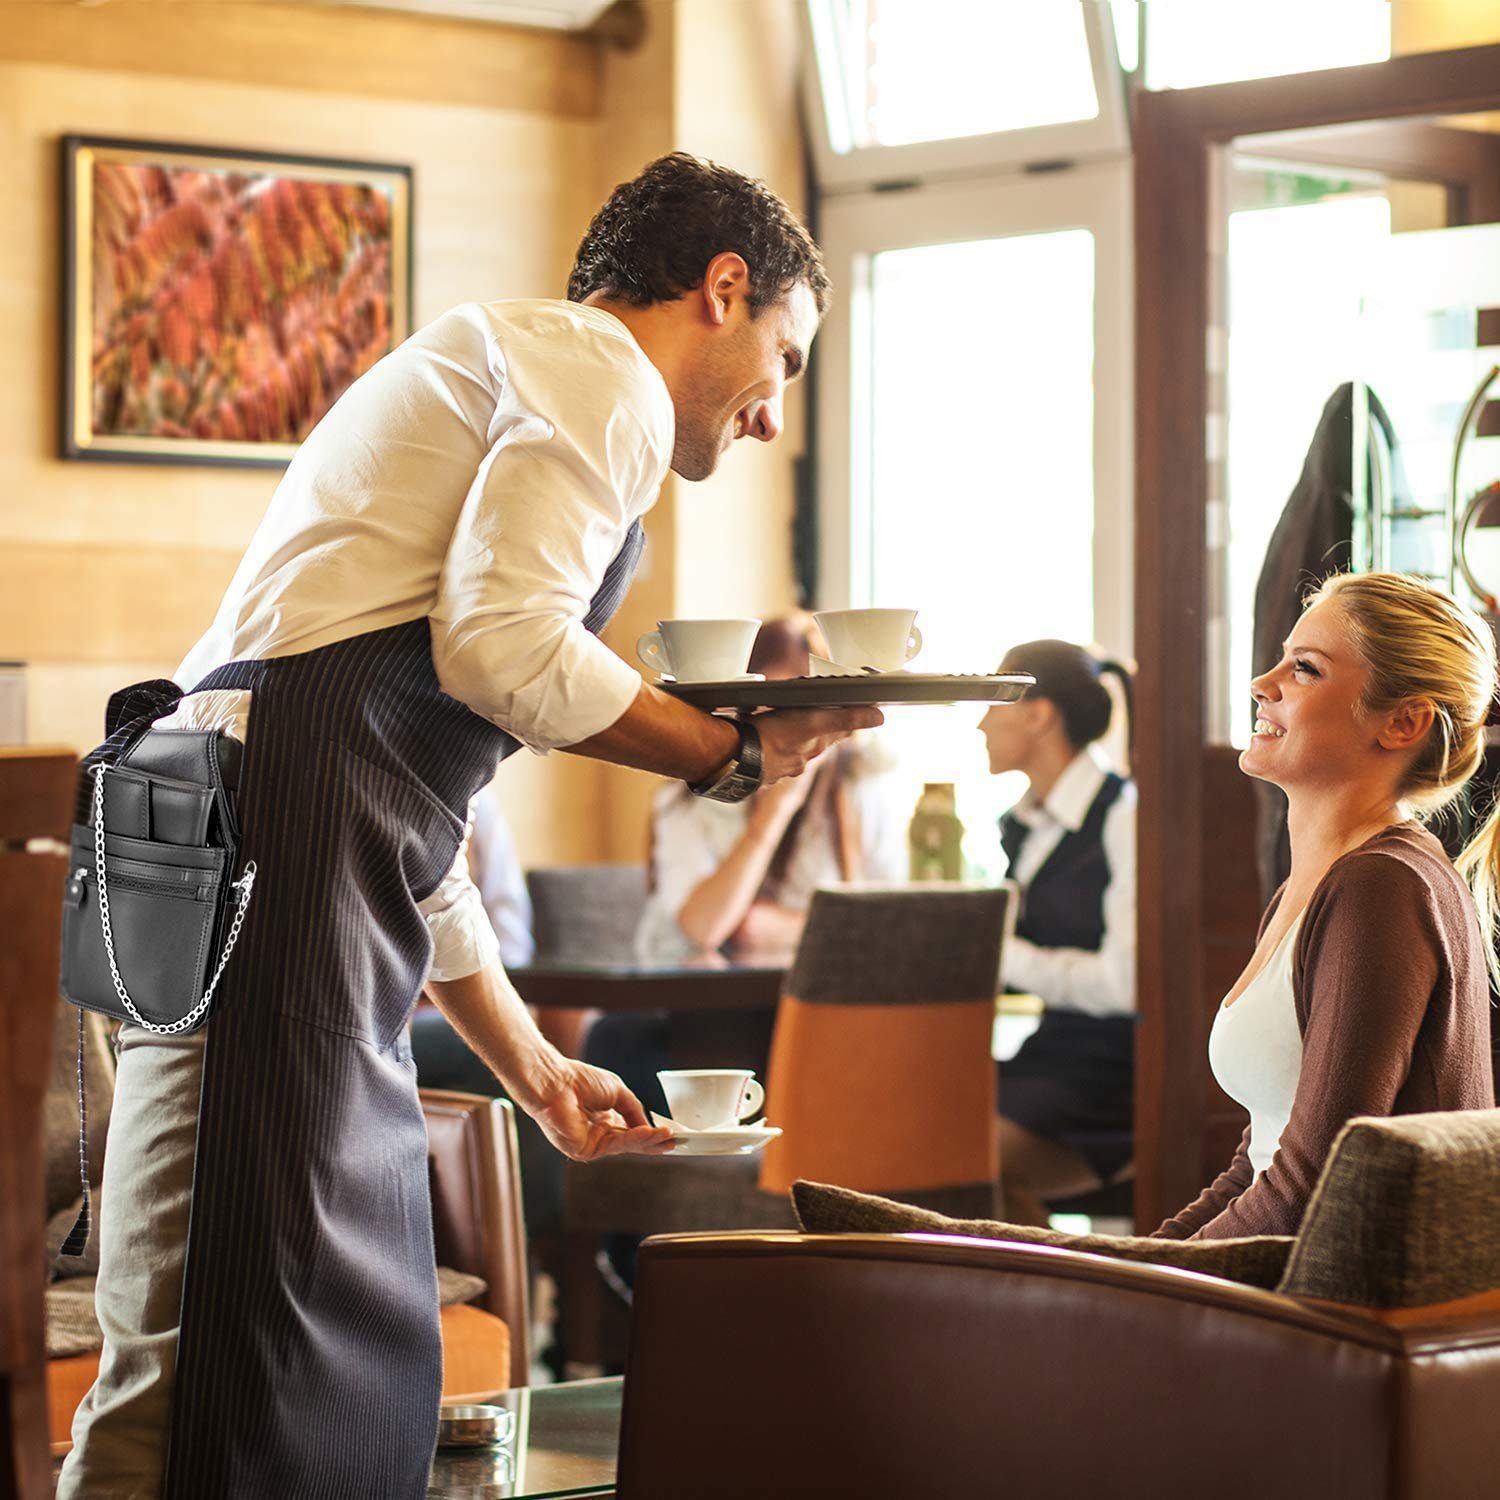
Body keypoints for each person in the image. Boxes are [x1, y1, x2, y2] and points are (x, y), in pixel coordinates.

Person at [61, 153, 881, 1500]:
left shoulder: (509, 367)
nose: (774, 414)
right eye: (784, 359)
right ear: (722, 288)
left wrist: (532, 1068)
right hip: (259, 847)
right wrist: (726, 751)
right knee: (228, 1357)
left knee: (227, 1346)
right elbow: (502, 649)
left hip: (215, 821)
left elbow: (411, 799)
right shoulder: (601, 372)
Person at [1157, 571, 1496, 1240]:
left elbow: (1311, 1188)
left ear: (1403, 722)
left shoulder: (1381, 889)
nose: (1263, 682)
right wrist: (1138, 1262)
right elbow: (1260, 1163)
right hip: (1292, 1281)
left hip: (1346, 1314)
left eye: (1305, 669)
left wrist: (1140, 1291)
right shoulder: (1309, 888)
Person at [585, 614, 905, 1124]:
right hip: (695, 1013)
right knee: (616, 1042)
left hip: (815, 1015)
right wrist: (772, 813)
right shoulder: (690, 794)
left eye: (804, 701)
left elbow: (886, 924)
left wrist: (767, 924)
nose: (790, 721)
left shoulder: (858, 793)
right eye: (771, 702)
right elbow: (704, 928)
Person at [981, 641, 1137, 1227]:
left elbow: (1125, 986)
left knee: (970, 1162)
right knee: (915, 1132)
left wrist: (1001, 955)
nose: (980, 720)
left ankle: (1060, 1305)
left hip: (1113, 1071)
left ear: (1039, 714)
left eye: (994, 701)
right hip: (1050, 1055)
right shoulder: (1026, 825)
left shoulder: (1125, 818)